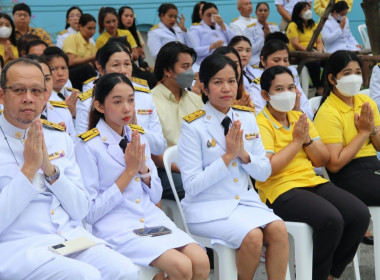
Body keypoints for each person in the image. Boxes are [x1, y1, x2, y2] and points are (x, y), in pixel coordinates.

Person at [0, 57, 139, 280]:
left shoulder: (58, 138)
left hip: (68, 239)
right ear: (1, 95)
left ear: (46, 95)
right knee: (85, 277)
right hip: (20, 247)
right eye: (18, 90)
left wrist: (49, 169)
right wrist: (28, 170)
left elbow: (81, 209)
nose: (28, 98)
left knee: (126, 271)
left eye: (36, 91)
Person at [75, 72, 210, 279]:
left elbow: (155, 196)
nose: (127, 108)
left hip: (150, 219)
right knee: (182, 266)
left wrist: (144, 171)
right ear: (100, 106)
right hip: (117, 227)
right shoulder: (88, 146)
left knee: (201, 260)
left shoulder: (137, 137)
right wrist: (129, 172)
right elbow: (90, 212)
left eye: (131, 100)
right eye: (117, 101)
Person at [178, 54, 289, 280]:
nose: (227, 88)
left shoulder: (246, 118)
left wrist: (243, 155)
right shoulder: (193, 126)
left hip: (244, 202)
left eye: (232, 81)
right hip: (207, 207)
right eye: (218, 82)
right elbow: (191, 186)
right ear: (204, 87)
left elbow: (264, 172)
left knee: (278, 229)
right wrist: (228, 156)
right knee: (253, 236)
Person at [255, 65, 370, 280]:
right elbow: (269, 169)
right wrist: (296, 141)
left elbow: (321, 159)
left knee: (359, 214)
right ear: (265, 95)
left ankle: (329, 275)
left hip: (310, 180)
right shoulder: (260, 123)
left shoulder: (299, 118)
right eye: (279, 89)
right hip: (279, 188)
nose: (287, 93)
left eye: (291, 87)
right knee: (331, 220)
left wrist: (305, 139)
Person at [75, 41, 166, 156]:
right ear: (101, 69)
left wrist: (134, 129)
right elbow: (81, 147)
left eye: (127, 64)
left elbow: (159, 147)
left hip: (144, 165)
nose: (123, 70)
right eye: (116, 65)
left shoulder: (145, 96)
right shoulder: (88, 102)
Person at [314, 50, 380, 206]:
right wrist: (363, 133)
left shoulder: (365, 101)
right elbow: (334, 165)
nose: (354, 78)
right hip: (348, 174)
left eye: (357, 72)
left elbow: (379, 145)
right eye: (347, 73)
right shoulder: (328, 112)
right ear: (332, 78)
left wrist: (372, 130)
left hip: (373, 165)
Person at [150, 41, 203, 200]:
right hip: (165, 169)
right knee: (195, 190)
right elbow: (154, 153)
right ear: (167, 70)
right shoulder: (149, 101)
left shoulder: (196, 100)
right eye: (185, 67)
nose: (191, 72)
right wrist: (187, 170)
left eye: (191, 67)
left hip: (197, 167)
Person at [232, 38, 313, 118]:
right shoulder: (257, 87)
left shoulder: (292, 83)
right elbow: (258, 117)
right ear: (263, 61)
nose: (281, 64)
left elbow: (309, 112)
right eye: (276, 60)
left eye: (285, 60)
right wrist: (292, 114)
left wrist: (297, 110)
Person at [26, 54, 77, 143]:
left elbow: (73, 151)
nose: (43, 85)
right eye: (36, 79)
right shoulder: (12, 115)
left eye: (47, 79)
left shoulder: (63, 112)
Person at [287, 2, 324, 96]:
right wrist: (308, 52)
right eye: (304, 10)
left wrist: (319, 51)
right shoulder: (293, 25)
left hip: (314, 51)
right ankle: (319, 88)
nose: (308, 11)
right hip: (299, 53)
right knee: (314, 64)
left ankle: (324, 87)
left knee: (330, 61)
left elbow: (319, 41)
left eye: (308, 9)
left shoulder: (314, 25)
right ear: (298, 12)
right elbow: (295, 43)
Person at [189, 2, 235, 67]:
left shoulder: (221, 25)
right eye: (208, 15)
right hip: (207, 63)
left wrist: (222, 25)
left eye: (215, 15)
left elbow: (235, 40)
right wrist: (211, 47)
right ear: (202, 15)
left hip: (225, 61)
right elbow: (194, 51)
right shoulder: (196, 29)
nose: (212, 18)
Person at [43, 47, 79, 120]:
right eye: (53, 69)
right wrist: (69, 113)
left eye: (63, 68)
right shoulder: (43, 98)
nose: (60, 74)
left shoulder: (74, 94)